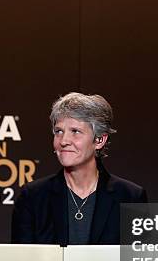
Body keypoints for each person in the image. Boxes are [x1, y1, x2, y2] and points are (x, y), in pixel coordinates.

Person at [11, 92, 147, 245]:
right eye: (59, 131)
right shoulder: (32, 197)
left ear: (99, 140)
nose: (64, 141)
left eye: (75, 132)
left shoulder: (130, 197)